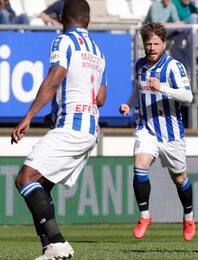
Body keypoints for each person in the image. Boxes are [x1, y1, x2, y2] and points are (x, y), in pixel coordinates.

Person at [10, 0, 107, 259]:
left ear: (63, 17)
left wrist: (28, 116)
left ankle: (58, 243)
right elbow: (100, 98)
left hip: (71, 126)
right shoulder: (98, 51)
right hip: (90, 129)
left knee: (25, 179)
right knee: (40, 186)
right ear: (88, 20)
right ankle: (50, 249)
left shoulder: (63, 41)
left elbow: (55, 78)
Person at [119, 22, 195, 241]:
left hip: (171, 133)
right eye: (148, 44)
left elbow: (188, 97)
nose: (151, 48)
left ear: (164, 44)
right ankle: (145, 216)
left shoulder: (174, 67)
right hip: (147, 128)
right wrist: (129, 103)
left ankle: (188, 216)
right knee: (139, 167)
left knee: (179, 178)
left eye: (155, 44)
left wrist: (162, 88)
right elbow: (138, 89)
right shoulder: (140, 65)